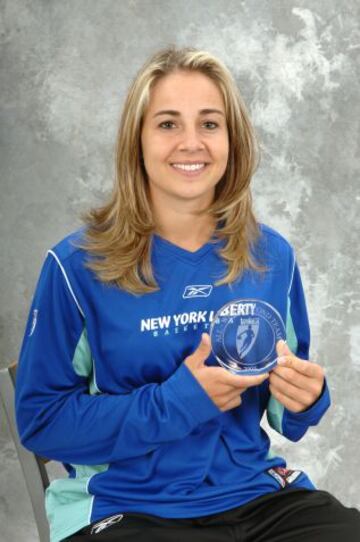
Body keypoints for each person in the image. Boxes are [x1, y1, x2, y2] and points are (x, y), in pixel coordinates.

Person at [15, 46, 360, 542]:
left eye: (210, 124)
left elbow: (289, 414)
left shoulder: (270, 256)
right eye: (168, 124)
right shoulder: (76, 267)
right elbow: (42, 421)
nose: (191, 143)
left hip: (255, 495)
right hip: (129, 506)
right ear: (137, 140)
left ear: (232, 140)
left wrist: (307, 397)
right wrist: (180, 401)